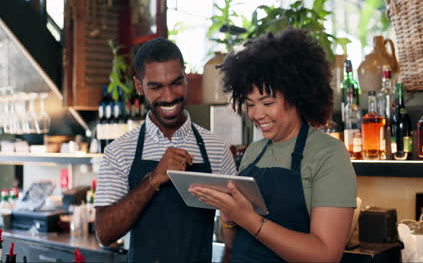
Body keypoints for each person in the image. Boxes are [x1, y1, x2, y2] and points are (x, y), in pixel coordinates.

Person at [189, 28, 357, 262]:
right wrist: (228, 215)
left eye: (267, 102)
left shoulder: (328, 155)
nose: (257, 114)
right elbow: (233, 243)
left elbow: (325, 255)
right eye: (250, 104)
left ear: (297, 95)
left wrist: (248, 218)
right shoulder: (254, 153)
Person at [94, 38, 237, 263]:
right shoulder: (119, 151)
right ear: (139, 86)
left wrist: (231, 216)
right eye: (156, 87)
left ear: (186, 78)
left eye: (176, 83)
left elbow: (234, 242)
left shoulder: (216, 149)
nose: (169, 96)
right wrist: (153, 179)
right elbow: (104, 233)